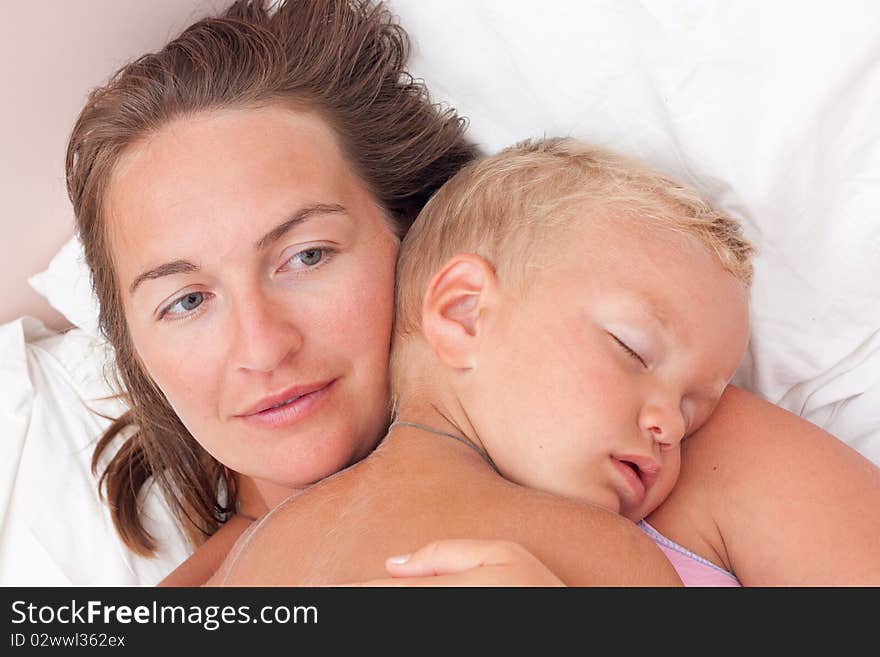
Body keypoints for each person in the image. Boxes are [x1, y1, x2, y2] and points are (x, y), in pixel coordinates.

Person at [67, 0, 680, 586]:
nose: (263, 347)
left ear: (412, 233)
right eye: (188, 301)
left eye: (306, 256)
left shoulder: (641, 442)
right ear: (136, 349)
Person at [209, 137, 757, 586]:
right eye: (631, 349)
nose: (670, 424)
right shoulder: (593, 550)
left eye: (694, 411)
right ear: (464, 313)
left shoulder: (256, 557)